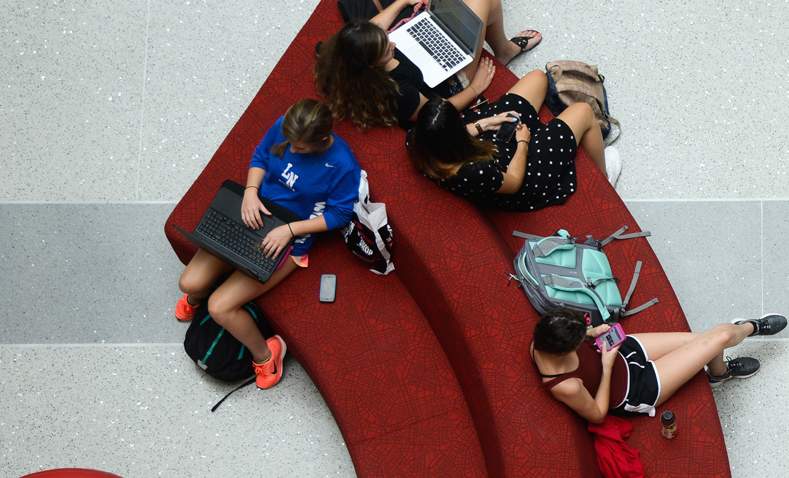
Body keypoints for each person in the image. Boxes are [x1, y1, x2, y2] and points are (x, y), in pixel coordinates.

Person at [174, 100, 359, 390]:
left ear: (322, 140)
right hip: (253, 213)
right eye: (290, 145)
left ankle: (267, 355)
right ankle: (201, 291)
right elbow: (261, 156)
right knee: (190, 283)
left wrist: (289, 230)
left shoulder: (343, 166)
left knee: (220, 307)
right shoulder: (285, 125)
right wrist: (250, 193)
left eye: (300, 149)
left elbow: (339, 214)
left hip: (289, 237)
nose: (292, 151)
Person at [408, 69, 620, 211]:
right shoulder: (473, 172)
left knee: (538, 78)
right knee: (582, 111)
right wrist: (523, 143)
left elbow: (455, 136)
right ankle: (605, 177)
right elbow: (514, 183)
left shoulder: (416, 140)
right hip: (520, 174)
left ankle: (544, 129)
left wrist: (488, 122)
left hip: (485, 150)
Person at [530, 308, 789, 423]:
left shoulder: (546, 335)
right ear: (565, 350)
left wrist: (593, 331)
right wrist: (607, 366)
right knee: (719, 338)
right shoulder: (567, 386)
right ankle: (752, 326)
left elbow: (579, 332)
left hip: (623, 350)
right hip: (636, 389)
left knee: (711, 340)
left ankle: (719, 373)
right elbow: (597, 415)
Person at [315, 0, 542, 130]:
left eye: (386, 37)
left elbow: (372, 26)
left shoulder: (351, 55)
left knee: (482, 5)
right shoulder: (398, 92)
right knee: (485, 2)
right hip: (447, 84)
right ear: (372, 65)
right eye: (386, 50)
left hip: (423, 56)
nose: (392, 43)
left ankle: (503, 50)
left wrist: (403, 1)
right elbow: (437, 111)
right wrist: (476, 87)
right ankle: (504, 52)